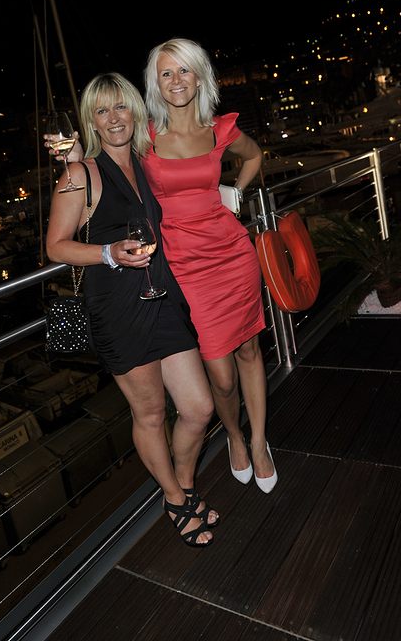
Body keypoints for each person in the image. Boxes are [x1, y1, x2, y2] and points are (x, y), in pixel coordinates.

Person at [45, 72, 218, 547]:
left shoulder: (147, 162)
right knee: (151, 413)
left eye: (121, 106)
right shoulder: (79, 176)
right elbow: (56, 247)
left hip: (163, 301)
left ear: (136, 112)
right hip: (118, 311)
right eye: (102, 111)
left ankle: (184, 486)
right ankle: (175, 499)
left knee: (199, 408)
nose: (114, 118)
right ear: (91, 122)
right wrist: (108, 252)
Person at [142, 38, 277, 493]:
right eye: (166, 73)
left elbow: (254, 155)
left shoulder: (220, 130)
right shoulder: (144, 137)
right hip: (184, 265)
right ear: (155, 84)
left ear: (200, 78)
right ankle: (234, 433)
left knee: (250, 351)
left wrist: (234, 192)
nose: (176, 80)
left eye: (185, 70)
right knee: (220, 374)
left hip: (232, 254)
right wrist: (71, 156)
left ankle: (257, 442)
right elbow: (103, 168)